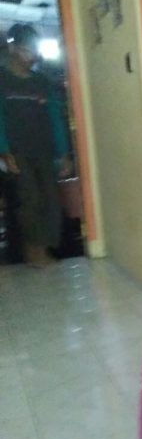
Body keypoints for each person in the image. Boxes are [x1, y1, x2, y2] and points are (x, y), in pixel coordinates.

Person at [0, 24, 71, 267]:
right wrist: (4, 150)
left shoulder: (42, 82)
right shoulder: (2, 80)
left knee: (51, 200)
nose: (32, 57)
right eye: (27, 51)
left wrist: (63, 153)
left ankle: (45, 246)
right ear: (14, 49)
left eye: (34, 51)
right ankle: (33, 250)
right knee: (29, 200)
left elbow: (55, 119)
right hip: (17, 152)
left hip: (44, 151)